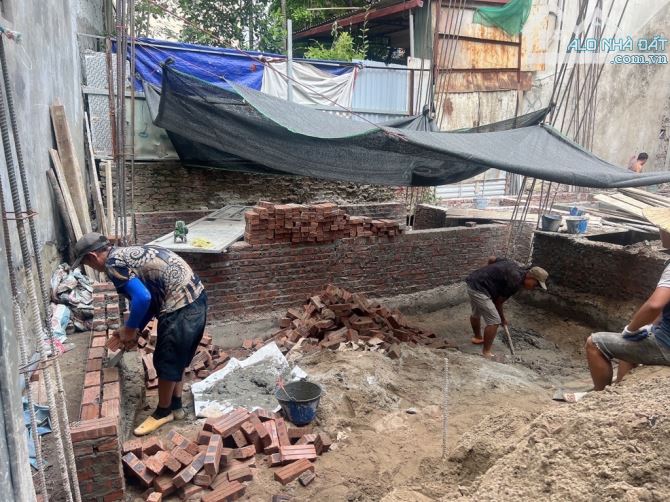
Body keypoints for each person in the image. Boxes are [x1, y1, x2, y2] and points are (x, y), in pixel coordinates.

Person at [71, 233, 207, 435]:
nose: (91, 267)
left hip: (180, 307)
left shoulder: (113, 264)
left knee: (165, 361)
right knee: (177, 359)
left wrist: (129, 329)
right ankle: (176, 407)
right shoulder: (125, 254)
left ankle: (163, 412)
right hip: (197, 299)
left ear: (92, 256)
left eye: (86, 263)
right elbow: (150, 300)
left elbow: (142, 298)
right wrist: (134, 329)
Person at [585, 207, 670, 390]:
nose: (660, 231)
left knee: (594, 343)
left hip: (667, 346)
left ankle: (600, 396)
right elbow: (664, 310)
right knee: (629, 349)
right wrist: (651, 326)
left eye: (662, 228)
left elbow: (655, 305)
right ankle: (620, 389)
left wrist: (630, 329)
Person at [466, 257, 549, 358]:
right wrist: (502, 319)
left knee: (476, 312)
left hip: (474, 280)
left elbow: (492, 259)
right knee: (494, 321)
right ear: (530, 276)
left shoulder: (513, 264)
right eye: (535, 285)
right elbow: (497, 303)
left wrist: (488, 274)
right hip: (479, 289)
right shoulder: (515, 281)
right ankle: (486, 352)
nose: (534, 288)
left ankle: (478, 338)